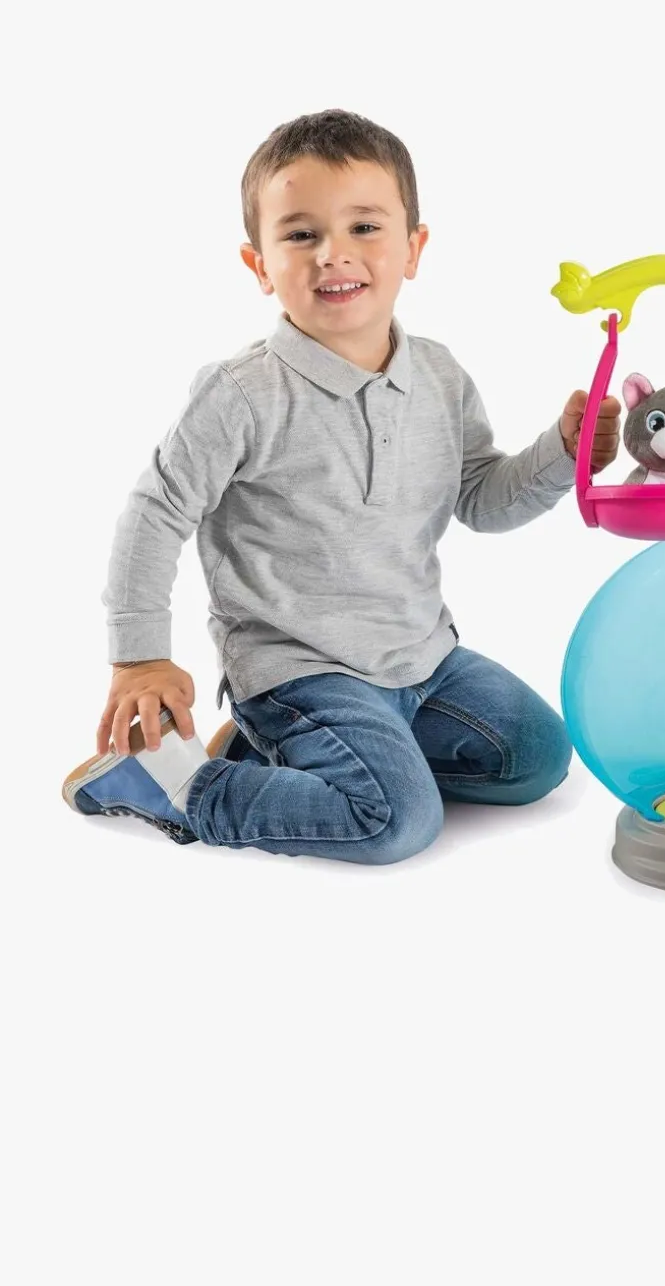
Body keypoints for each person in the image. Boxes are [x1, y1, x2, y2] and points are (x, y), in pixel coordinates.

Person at [63, 109, 621, 864]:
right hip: (299, 668)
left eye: (364, 227)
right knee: (396, 820)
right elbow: (154, 513)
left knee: (536, 757)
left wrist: (563, 451)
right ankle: (179, 784)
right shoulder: (243, 392)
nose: (334, 253)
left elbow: (483, 500)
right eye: (301, 234)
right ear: (260, 265)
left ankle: (288, 757)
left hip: (422, 658)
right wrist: (140, 658)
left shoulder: (440, 374)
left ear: (413, 248)